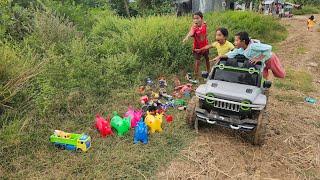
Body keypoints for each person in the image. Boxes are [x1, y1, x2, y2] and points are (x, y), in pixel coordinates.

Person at [215, 32, 285, 79]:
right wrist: (221, 56)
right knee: (261, 77)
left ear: (243, 41)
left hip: (269, 59)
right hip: (260, 63)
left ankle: (280, 67)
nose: (234, 42)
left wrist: (259, 58)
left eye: (236, 41)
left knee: (281, 75)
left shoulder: (253, 46)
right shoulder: (241, 49)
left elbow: (269, 47)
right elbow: (231, 54)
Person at [183, 11, 210, 78]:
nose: (195, 20)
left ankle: (209, 71)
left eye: (197, 18)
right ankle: (196, 75)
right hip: (197, 48)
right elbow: (191, 32)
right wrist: (187, 37)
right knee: (197, 61)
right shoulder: (194, 27)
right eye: (194, 18)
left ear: (201, 18)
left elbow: (205, 32)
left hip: (205, 46)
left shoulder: (204, 24)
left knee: (207, 59)